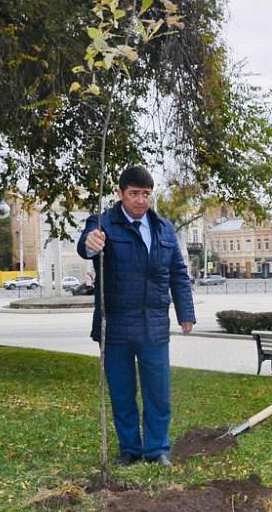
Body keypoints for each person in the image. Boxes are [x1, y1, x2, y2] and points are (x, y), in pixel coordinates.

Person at [77, 166, 195, 468]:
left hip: (154, 325)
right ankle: (130, 448)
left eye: (146, 194)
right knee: (122, 392)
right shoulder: (104, 224)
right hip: (115, 326)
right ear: (120, 194)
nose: (141, 201)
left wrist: (186, 312)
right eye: (134, 194)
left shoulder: (164, 228)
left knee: (158, 393)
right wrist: (91, 244)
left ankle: (157, 450)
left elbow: (179, 274)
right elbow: (85, 245)